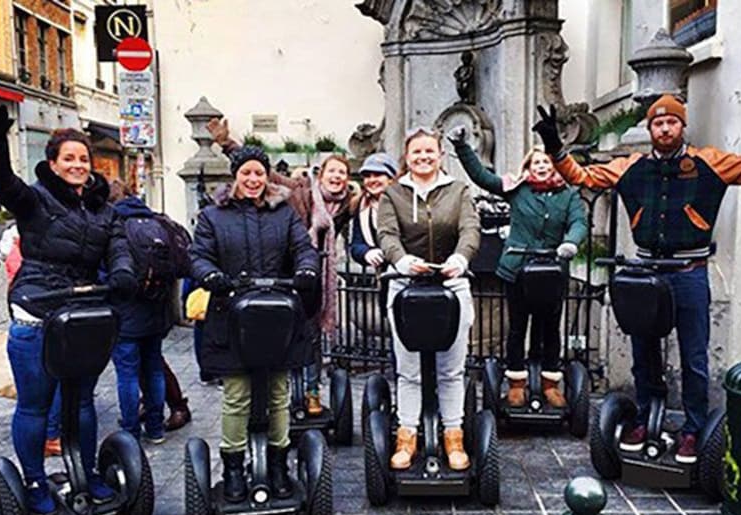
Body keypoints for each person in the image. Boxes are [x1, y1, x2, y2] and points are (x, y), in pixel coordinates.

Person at [534, 85, 741, 463]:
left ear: (682, 127)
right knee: (643, 354)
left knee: (694, 357)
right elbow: (581, 177)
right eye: (658, 123)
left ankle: (694, 428)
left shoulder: (710, 162)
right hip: (646, 273)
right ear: (650, 129)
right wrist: (554, 147)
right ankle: (646, 416)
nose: (665, 129)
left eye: (672, 122)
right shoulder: (630, 165)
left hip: (689, 271)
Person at [0, 100, 138, 515]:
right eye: (70, 158)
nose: (78, 165)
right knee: (36, 402)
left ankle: (86, 472)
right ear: (53, 163)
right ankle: (33, 481)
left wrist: (122, 274)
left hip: (82, 310)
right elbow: (3, 182)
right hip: (37, 306)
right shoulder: (35, 200)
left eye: (83, 158)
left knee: (82, 400)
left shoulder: (105, 209)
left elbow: (119, 247)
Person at [190, 146, 319, 503]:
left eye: (258, 173)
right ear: (235, 175)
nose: (252, 179)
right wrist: (211, 275)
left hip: (277, 314)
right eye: (246, 173)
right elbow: (198, 256)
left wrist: (307, 268)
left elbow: (303, 247)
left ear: (266, 177)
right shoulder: (213, 216)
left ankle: (278, 465)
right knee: (236, 395)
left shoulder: (285, 213)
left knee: (278, 393)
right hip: (230, 316)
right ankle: (233, 467)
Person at [208, 117, 358, 415]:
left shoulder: (346, 205)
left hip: (316, 278)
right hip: (288, 275)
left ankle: (312, 393)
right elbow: (264, 175)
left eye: (343, 173)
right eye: (333, 171)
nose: (337, 177)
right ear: (321, 173)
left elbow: (380, 196)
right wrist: (227, 143)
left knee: (312, 337)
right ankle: (289, 394)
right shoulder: (301, 191)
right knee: (286, 337)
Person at [449, 127, 587, 408]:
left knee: (549, 328)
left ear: (555, 165)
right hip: (517, 268)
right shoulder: (517, 189)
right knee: (517, 327)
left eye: (546, 162)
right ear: (528, 166)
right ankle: (516, 383)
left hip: (551, 270)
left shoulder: (568, 196)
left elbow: (579, 222)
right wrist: (462, 146)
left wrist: (571, 243)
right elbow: (481, 176)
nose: (541, 167)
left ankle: (550, 384)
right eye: (536, 162)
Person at [378, 127, 481, 471]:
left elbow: (470, 229)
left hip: (451, 284)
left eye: (429, 152)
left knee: (451, 369)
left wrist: (460, 259)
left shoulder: (458, 190)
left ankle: (454, 434)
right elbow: (387, 234)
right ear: (406, 157)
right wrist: (402, 260)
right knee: (408, 370)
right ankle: (407, 434)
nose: (423, 157)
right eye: (416, 152)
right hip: (407, 285)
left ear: (440, 155)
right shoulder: (393, 193)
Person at [108, 180, 185, 443]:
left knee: (127, 373)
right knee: (153, 367)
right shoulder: (157, 221)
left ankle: (130, 429)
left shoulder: (114, 226)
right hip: (157, 309)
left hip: (125, 310)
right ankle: (155, 427)